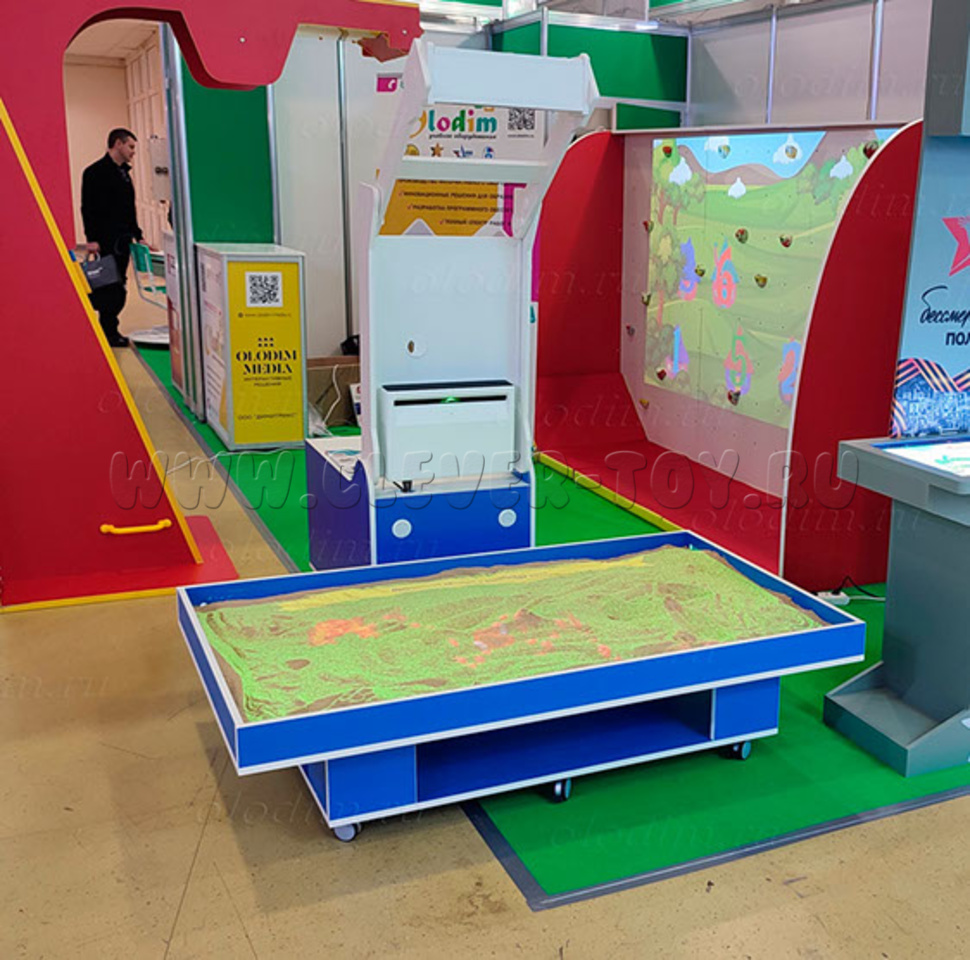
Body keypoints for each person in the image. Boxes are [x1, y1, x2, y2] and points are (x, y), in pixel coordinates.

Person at [81, 128, 143, 347]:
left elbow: (129, 209)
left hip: (122, 240)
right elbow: (88, 209)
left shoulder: (123, 174)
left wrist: (138, 235)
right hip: (105, 240)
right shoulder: (94, 173)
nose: (133, 152)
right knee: (110, 286)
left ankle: (109, 328)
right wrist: (92, 239)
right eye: (131, 147)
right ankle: (108, 331)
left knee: (120, 284)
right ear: (118, 144)